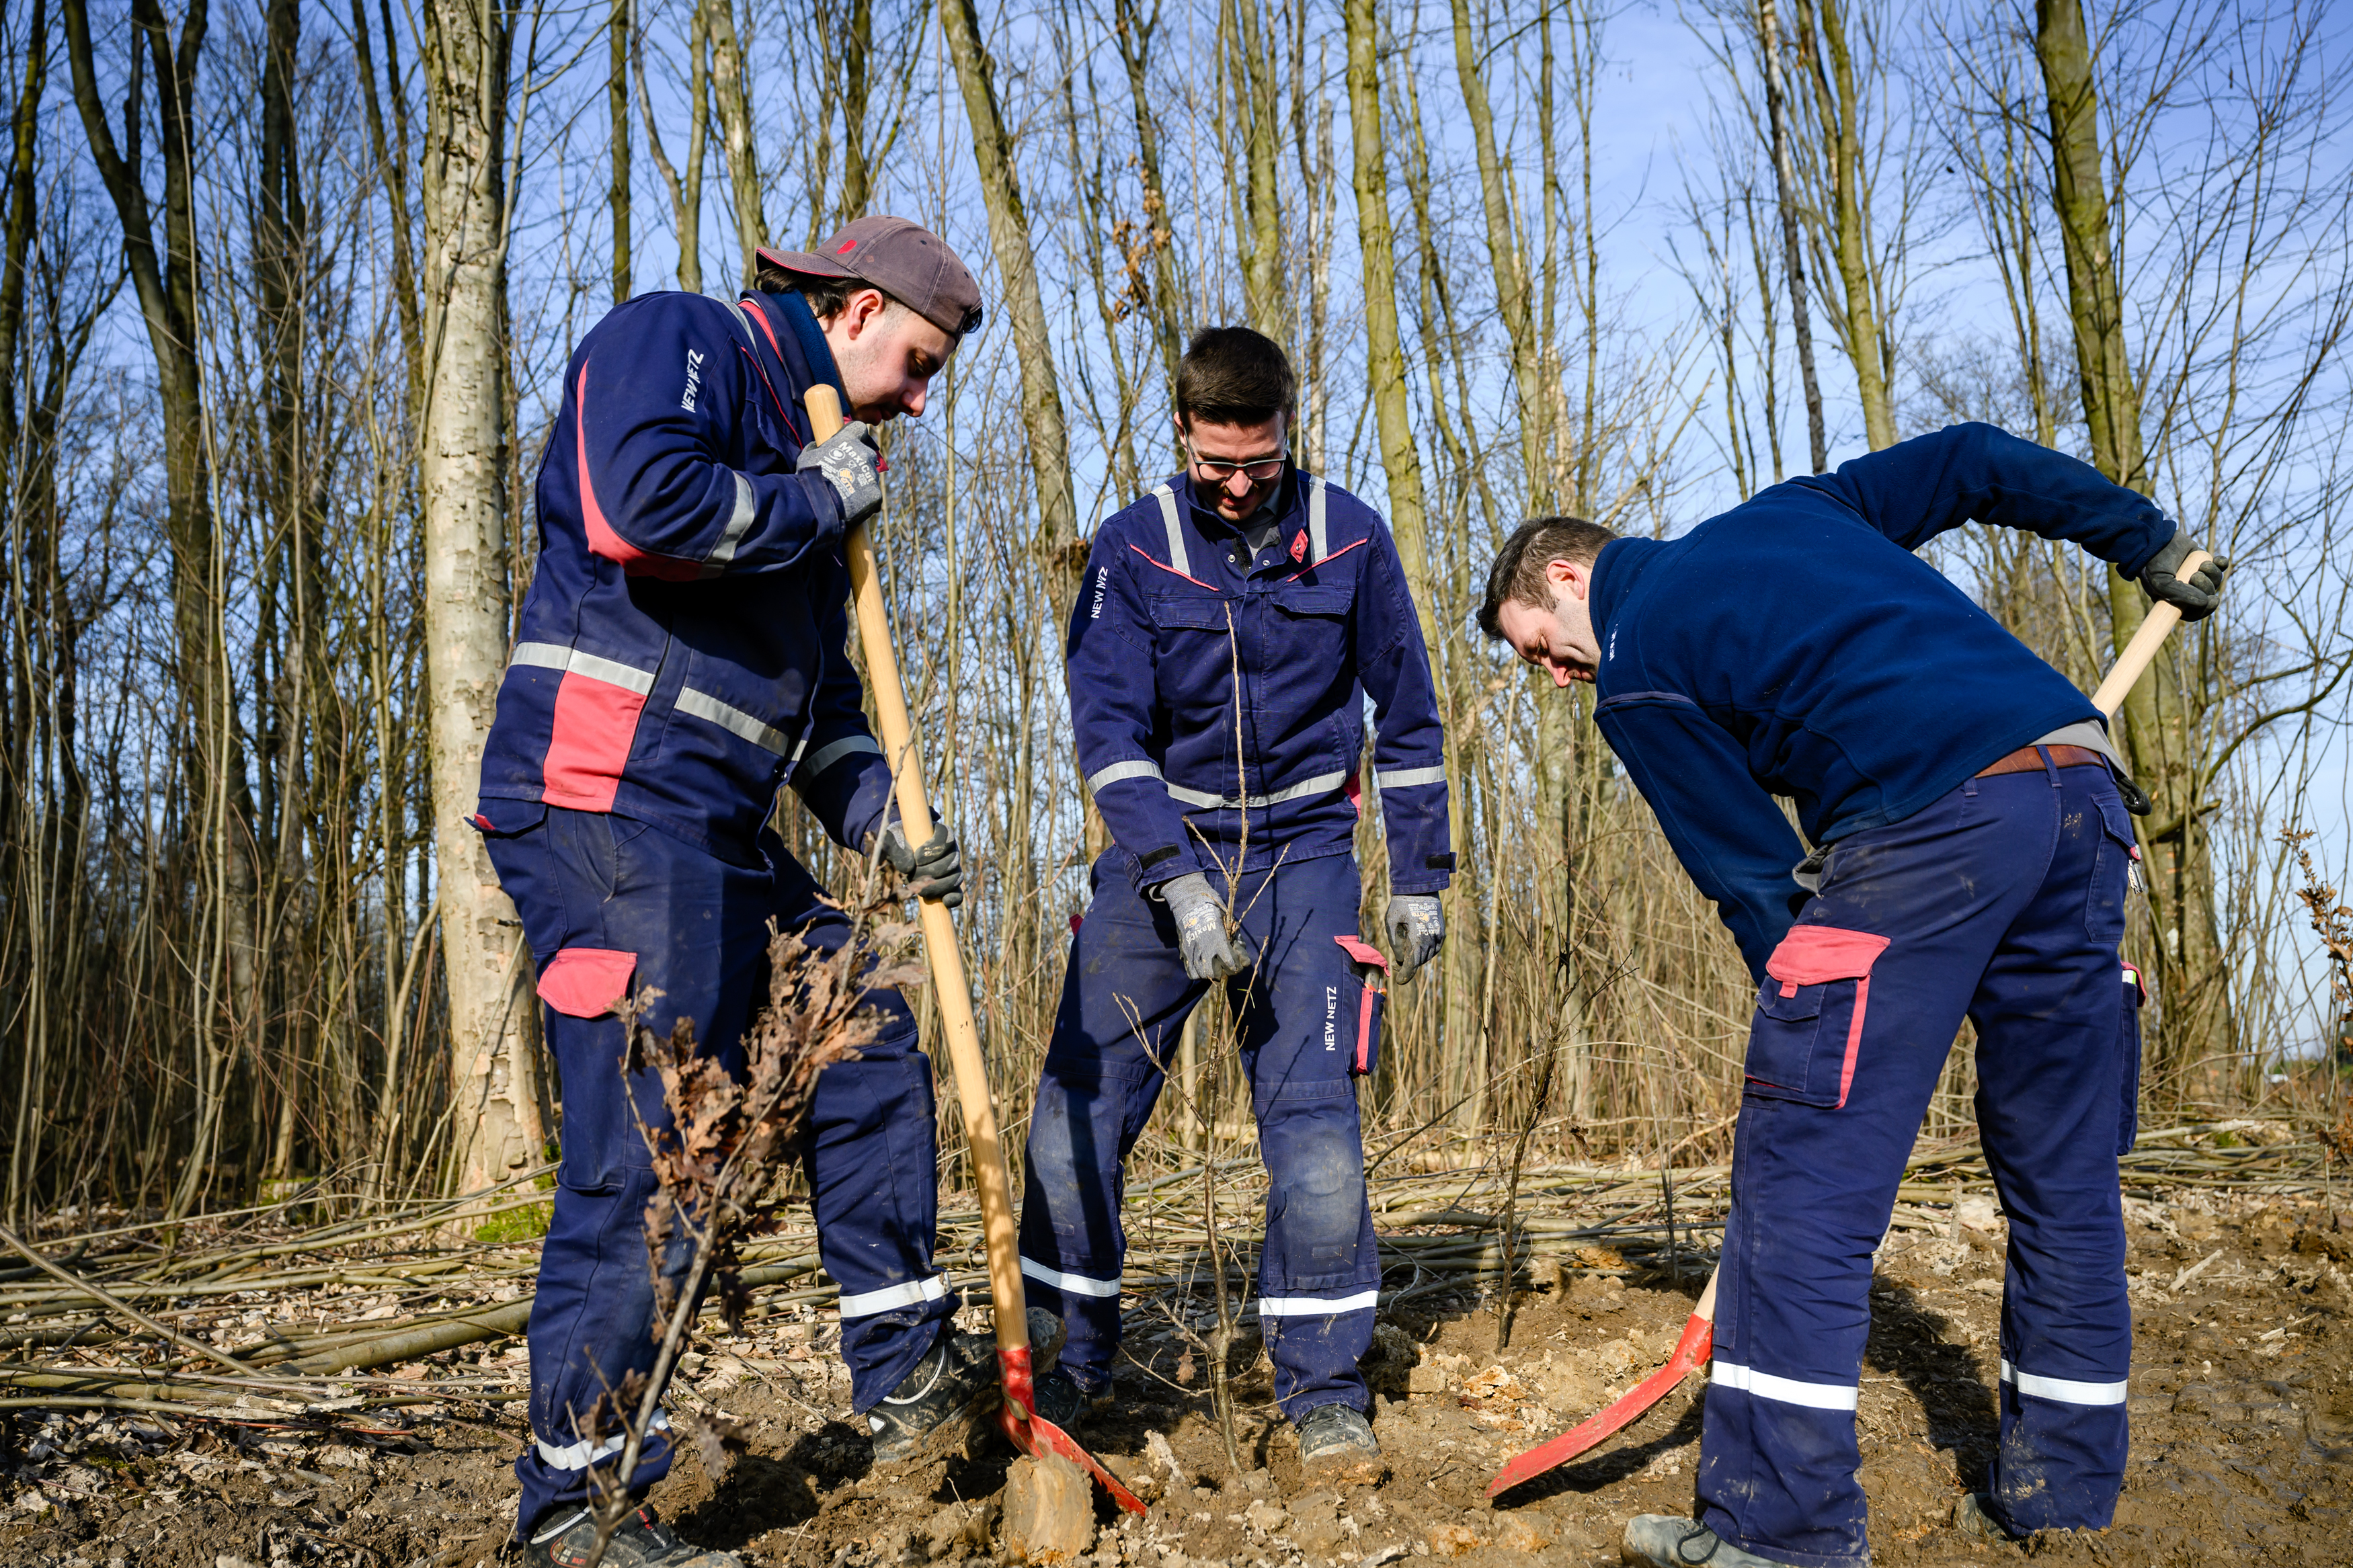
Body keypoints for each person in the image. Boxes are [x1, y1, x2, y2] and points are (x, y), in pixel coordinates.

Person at [1475, 422, 2225, 1567]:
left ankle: (1782, 1530)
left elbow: (1750, 879)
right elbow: (1973, 457)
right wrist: (2144, 541)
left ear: (1570, 576)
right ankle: (2062, 1500)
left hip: (1929, 831)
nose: (1553, 674)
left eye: (1539, 644)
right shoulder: (1799, 508)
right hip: (2080, 796)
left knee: (1802, 1186)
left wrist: (1807, 1025)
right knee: (2063, 1171)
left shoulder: (1635, 660)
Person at [473, 217, 1058, 1568]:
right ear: (854, 310)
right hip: (603, 799)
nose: (919, 398)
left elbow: (830, 718)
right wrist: (812, 500)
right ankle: (577, 1504)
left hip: (720, 825)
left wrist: (886, 828)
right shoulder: (684, 340)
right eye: (915, 363)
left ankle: (902, 1376)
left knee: (862, 1031)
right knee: (657, 1139)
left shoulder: (828, 464)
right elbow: (641, 507)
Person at [1019, 327, 1453, 1480]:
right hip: (1161, 860)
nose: (1241, 485)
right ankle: (1069, 1359)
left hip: (1308, 858)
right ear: (1182, 432)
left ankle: (1323, 1391)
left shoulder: (1352, 536)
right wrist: (1169, 874)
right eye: (1219, 464)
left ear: (1288, 430)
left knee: (1319, 1143)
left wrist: (1419, 875)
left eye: (1260, 461)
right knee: (1074, 1122)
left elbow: (1407, 717)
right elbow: (1106, 735)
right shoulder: (1132, 551)